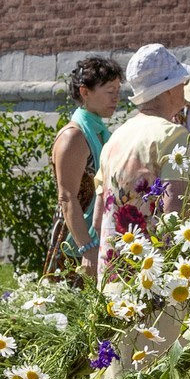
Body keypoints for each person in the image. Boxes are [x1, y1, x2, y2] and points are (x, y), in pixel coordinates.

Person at [89, 42, 190, 270]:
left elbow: (98, 221)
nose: (185, 87)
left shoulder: (116, 137)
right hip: (152, 284)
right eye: (182, 82)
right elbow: (174, 212)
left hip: (112, 281)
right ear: (169, 89)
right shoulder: (173, 135)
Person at [48, 56, 121, 272]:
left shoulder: (100, 131)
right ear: (85, 92)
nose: (116, 97)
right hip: (75, 242)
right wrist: (86, 248)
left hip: (99, 236)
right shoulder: (74, 136)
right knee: (71, 303)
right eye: (110, 91)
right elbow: (67, 196)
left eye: (118, 90)